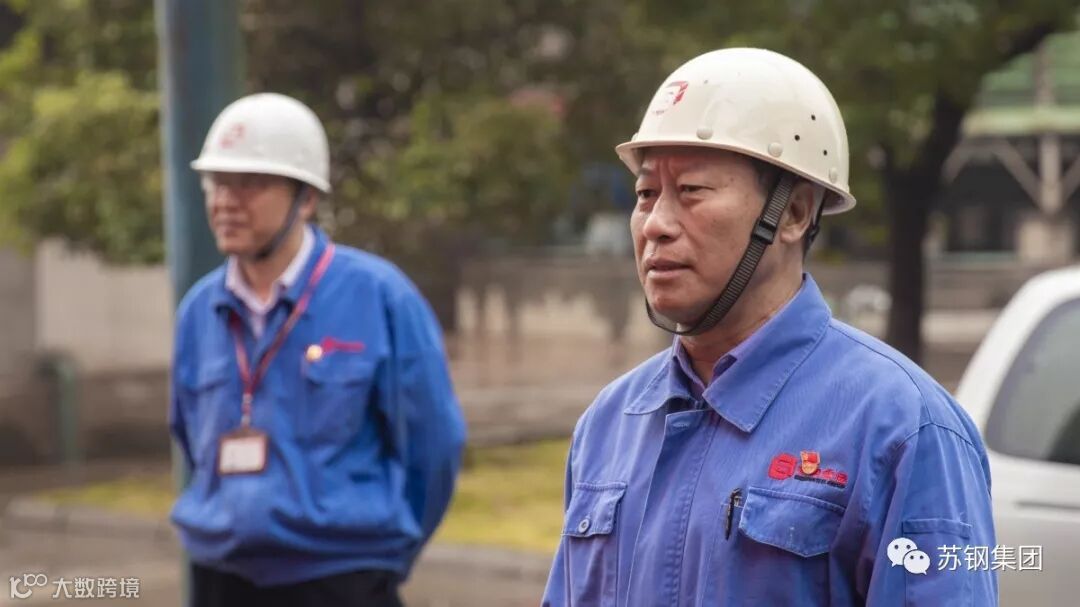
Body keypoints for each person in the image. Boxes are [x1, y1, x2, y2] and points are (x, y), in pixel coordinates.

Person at [542, 48, 996, 605]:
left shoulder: (903, 427)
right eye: (645, 194)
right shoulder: (609, 424)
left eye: (691, 191)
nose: (655, 224)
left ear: (794, 213)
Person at [169, 92, 466, 607]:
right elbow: (189, 436)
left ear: (305, 198)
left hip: (343, 578)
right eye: (217, 182)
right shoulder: (199, 310)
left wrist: (382, 557)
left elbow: (433, 447)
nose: (225, 201)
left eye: (250, 183)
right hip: (219, 577)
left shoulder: (380, 296)